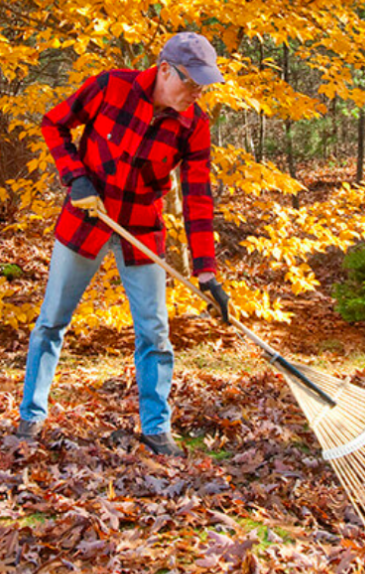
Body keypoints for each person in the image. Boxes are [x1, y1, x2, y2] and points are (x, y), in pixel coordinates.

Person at [15, 32, 231, 457]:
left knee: (155, 332)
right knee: (52, 322)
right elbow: (53, 123)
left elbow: (198, 197)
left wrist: (207, 273)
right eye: (191, 82)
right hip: (85, 220)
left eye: (203, 85)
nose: (196, 92)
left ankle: (156, 428)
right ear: (165, 69)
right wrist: (75, 176)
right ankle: (30, 416)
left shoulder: (195, 124)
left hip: (142, 231)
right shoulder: (110, 87)